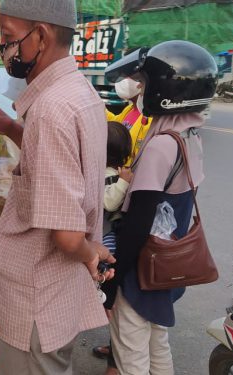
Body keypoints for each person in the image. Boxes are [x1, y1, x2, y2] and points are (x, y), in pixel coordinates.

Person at [0, 0, 115, 373]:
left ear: (41, 36)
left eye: (9, 38)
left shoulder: (50, 109)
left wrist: (89, 252)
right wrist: (12, 127)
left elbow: (65, 238)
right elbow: (54, 165)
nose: (4, 50)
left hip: (34, 302)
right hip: (54, 299)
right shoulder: (80, 93)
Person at [103, 40, 217, 374]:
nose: (140, 90)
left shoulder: (160, 147)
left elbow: (138, 222)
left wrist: (112, 279)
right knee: (157, 342)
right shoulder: (189, 134)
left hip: (142, 267)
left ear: (166, 90)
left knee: (131, 352)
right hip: (167, 263)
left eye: (145, 83)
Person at [93, 122, 133, 371]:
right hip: (106, 235)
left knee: (111, 294)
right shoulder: (108, 174)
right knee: (110, 295)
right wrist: (123, 182)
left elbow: (109, 203)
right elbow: (109, 202)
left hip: (107, 235)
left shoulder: (108, 172)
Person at [106, 78, 151, 167]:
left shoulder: (149, 116)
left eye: (129, 76)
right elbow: (116, 125)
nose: (123, 80)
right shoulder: (129, 109)